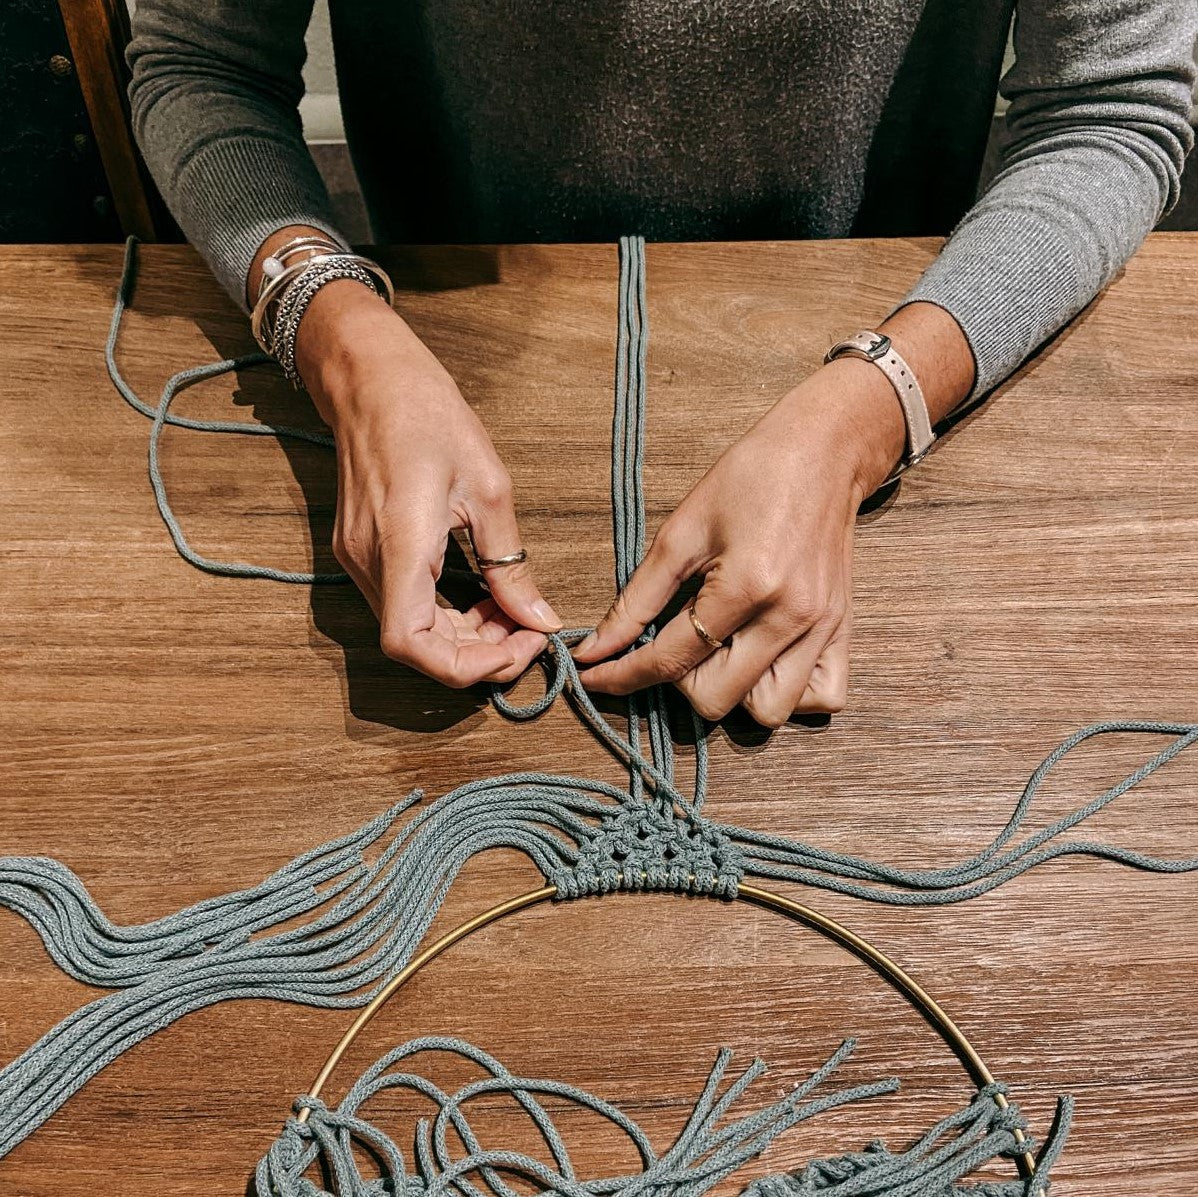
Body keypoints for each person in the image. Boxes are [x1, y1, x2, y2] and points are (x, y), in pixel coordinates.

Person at [126, 1, 1195, 726]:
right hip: (424, 354)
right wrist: (335, 331)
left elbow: (1111, 107)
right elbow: (198, 60)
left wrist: (871, 414)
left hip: (919, 356)